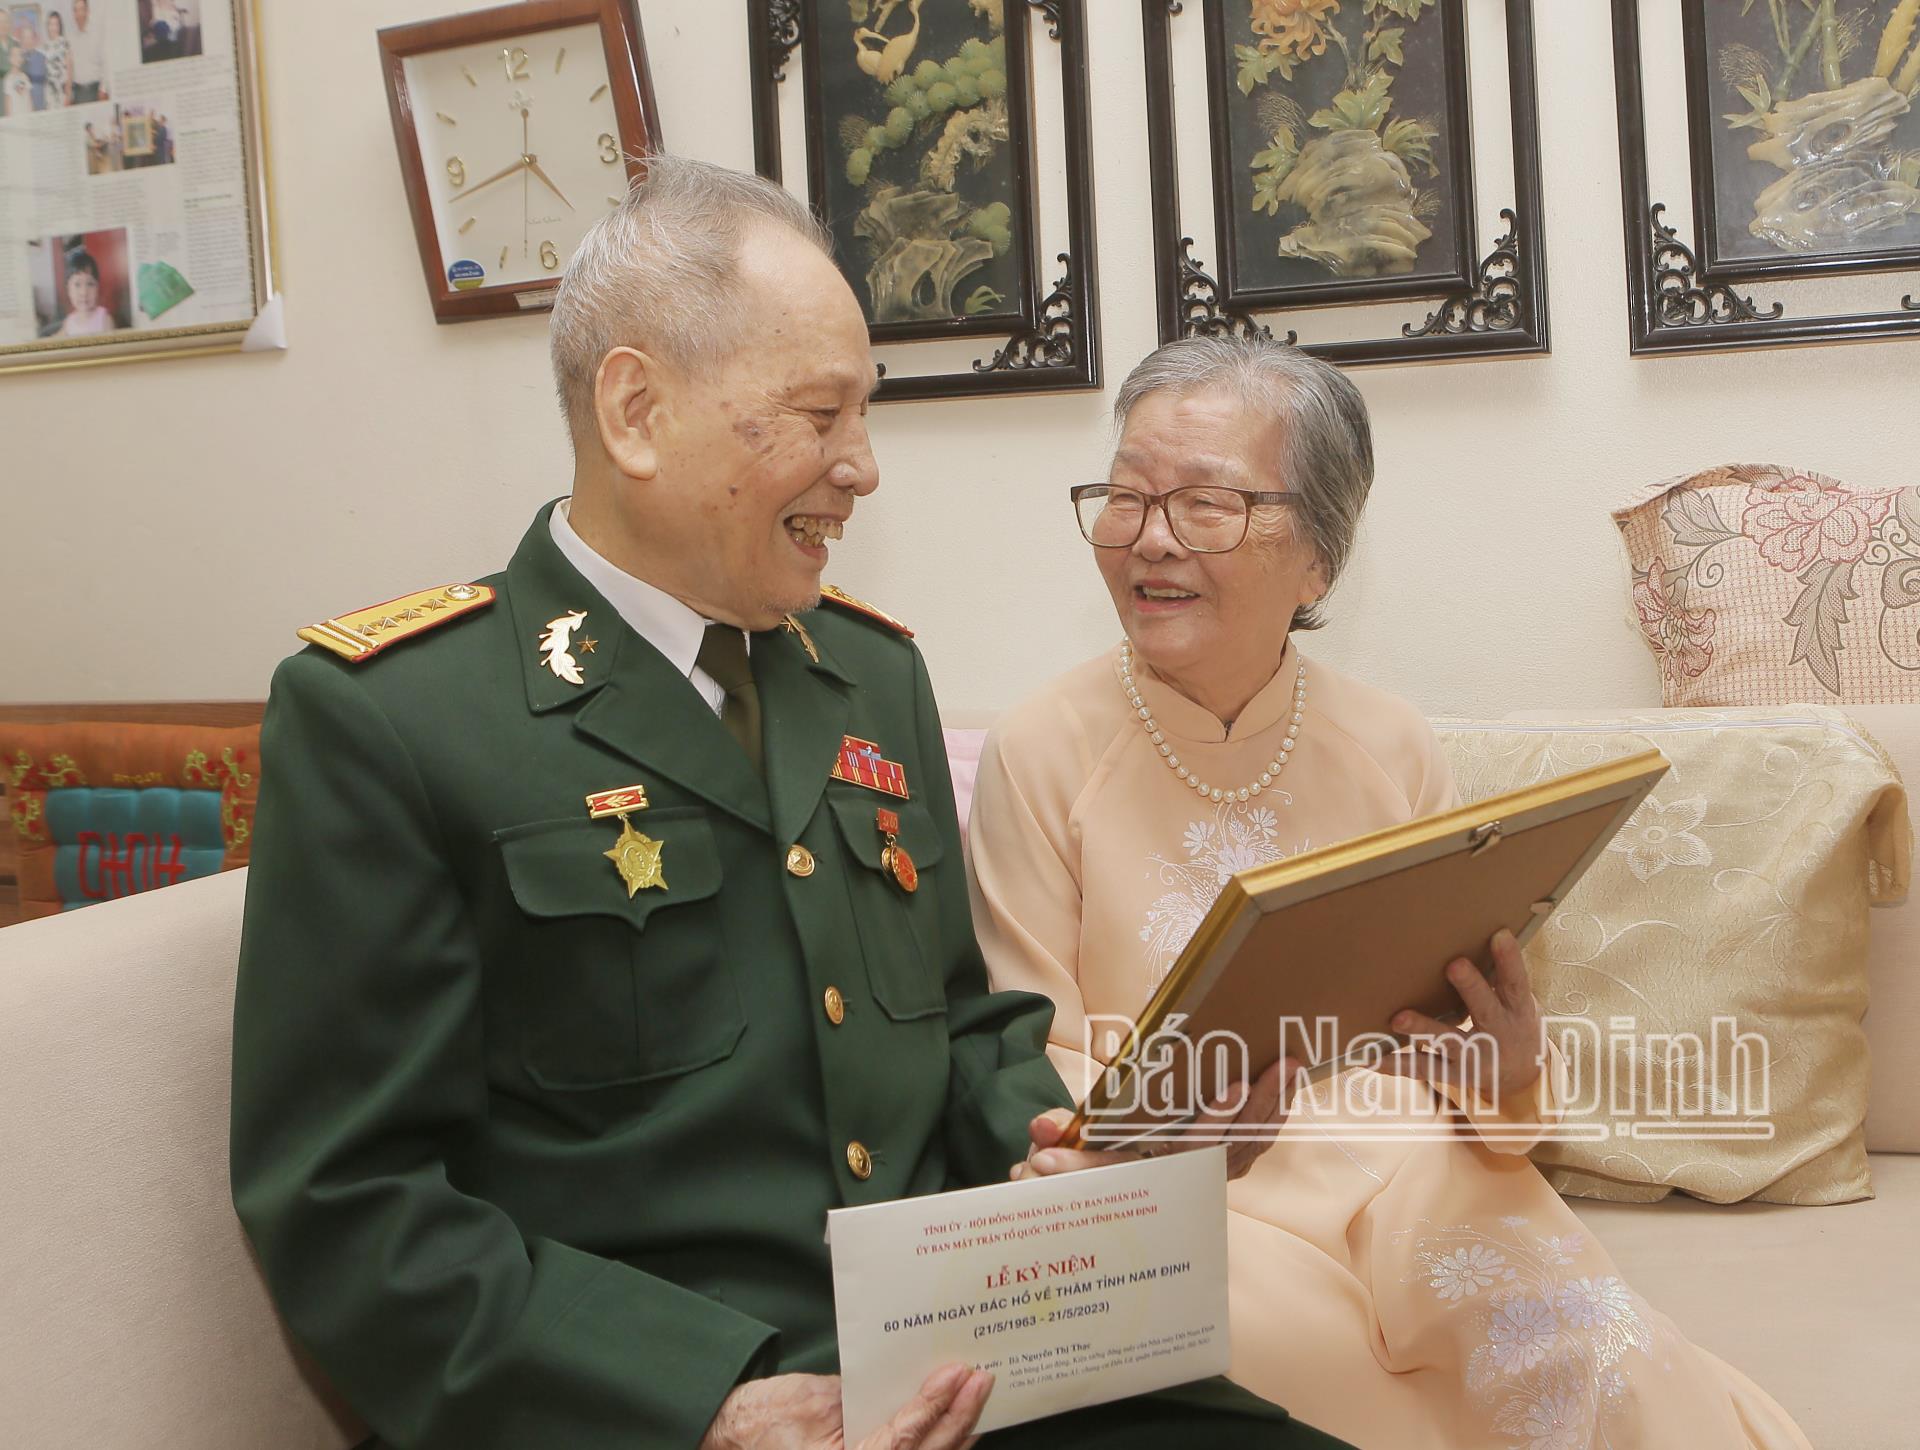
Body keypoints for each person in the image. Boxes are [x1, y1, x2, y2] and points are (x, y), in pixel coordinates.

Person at [228, 157, 1349, 1450]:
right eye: (822, 415)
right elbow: (351, 1205)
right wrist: (703, 1404)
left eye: (863, 414)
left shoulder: (868, 675)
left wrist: (1073, 1158)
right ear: (637, 411)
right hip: (646, 1411)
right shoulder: (395, 717)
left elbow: (960, 1025)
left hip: (959, 1366)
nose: (862, 467)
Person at [967, 334, 1815, 1450]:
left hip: (1416, 1171)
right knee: (1305, 1371)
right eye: (1124, 497)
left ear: (1317, 561)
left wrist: (1507, 1069)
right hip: (1193, 1194)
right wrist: (1165, 1146)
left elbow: (1453, 1032)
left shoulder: (1390, 741)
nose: (1150, 539)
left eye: (1206, 504)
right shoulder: (1041, 748)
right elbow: (1033, 1047)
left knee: (1578, 1354)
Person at [57, 246, 114, 335]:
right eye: (77, 285)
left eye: (90, 284)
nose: (84, 292)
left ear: (97, 287)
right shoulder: (68, 323)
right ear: (68, 290)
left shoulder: (104, 319)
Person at [67, 0, 103, 103]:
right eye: (76, 10)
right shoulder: (70, 38)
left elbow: (105, 62)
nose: (79, 14)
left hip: (96, 91)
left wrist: (103, 89)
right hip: (78, 93)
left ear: (87, 11)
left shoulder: (97, 34)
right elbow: (70, 67)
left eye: (81, 9)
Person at [43, 11, 69, 109]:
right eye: (50, 24)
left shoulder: (64, 43)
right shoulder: (45, 46)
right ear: (47, 26)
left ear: (59, 26)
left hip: (62, 91)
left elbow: (70, 70)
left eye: (56, 24)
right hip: (49, 92)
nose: (53, 27)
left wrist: (68, 94)